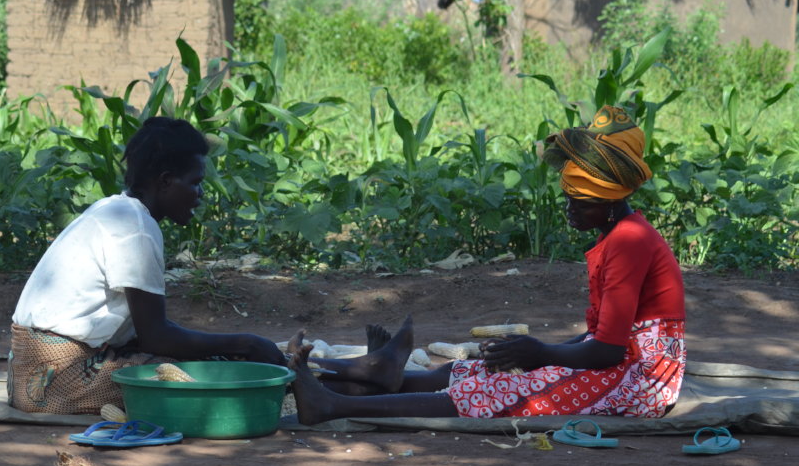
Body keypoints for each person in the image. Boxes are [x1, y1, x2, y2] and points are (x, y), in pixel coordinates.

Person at [287, 105, 686, 425]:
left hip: (640, 382)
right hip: (621, 362)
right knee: (472, 373)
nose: (568, 209)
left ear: (609, 199)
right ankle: (378, 376)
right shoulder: (619, 234)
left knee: (492, 392)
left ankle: (334, 406)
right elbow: (600, 338)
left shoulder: (630, 241)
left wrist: (542, 353)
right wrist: (532, 353)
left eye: (577, 201)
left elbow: (609, 353)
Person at [7, 117, 285, 415]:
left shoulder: (113, 209)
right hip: (61, 381)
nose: (200, 194)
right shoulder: (136, 229)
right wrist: (246, 345)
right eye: (195, 183)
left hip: (26, 375)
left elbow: (149, 331)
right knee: (207, 376)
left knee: (211, 362)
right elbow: (156, 336)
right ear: (165, 181)